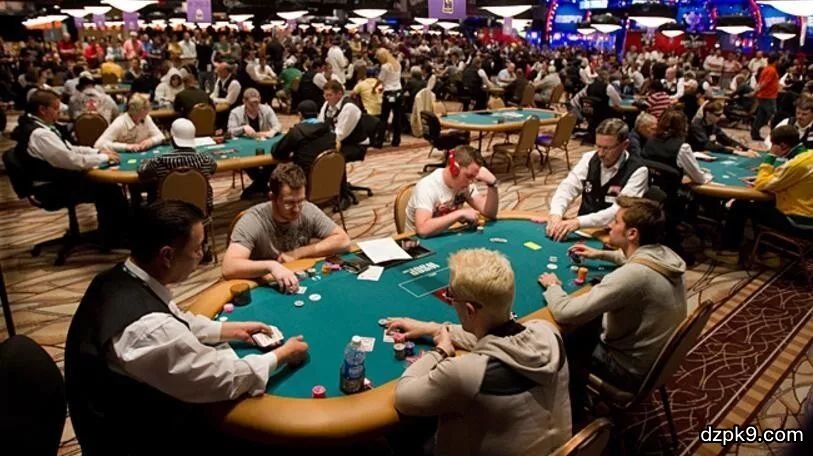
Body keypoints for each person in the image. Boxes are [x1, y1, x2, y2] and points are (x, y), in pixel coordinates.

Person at [65, 200, 310, 455]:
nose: (203, 255)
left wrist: (231, 330)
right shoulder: (147, 329)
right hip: (135, 438)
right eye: (197, 248)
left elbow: (176, 319)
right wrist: (281, 355)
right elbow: (221, 378)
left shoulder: (123, 276)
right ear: (167, 256)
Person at [391, 248, 571, 456]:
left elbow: (403, 398)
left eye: (451, 296)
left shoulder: (465, 373)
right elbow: (499, 341)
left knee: (397, 440)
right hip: (564, 451)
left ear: (469, 310)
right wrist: (434, 329)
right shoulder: (548, 332)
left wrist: (440, 351)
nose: (450, 300)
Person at [538, 196, 687, 427]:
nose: (609, 226)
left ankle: (574, 416)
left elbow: (565, 312)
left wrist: (553, 286)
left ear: (632, 234)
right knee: (588, 323)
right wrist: (600, 254)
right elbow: (630, 258)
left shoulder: (633, 275)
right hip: (655, 362)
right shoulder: (665, 254)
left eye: (616, 222)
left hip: (628, 370)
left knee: (560, 343)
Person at [10, 89, 127, 246]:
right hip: (50, 189)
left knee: (105, 185)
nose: (59, 113)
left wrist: (97, 152)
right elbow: (72, 161)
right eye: (56, 109)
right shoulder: (40, 134)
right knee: (108, 188)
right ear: (42, 109)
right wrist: (103, 158)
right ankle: (113, 236)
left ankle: (111, 231)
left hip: (53, 181)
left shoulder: (39, 126)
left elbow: (69, 149)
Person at [222, 163, 351, 289]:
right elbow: (229, 267)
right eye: (289, 203)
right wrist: (271, 266)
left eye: (300, 201)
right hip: (263, 286)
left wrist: (298, 253)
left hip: (296, 278)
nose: (297, 209)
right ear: (272, 197)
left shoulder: (307, 210)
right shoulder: (252, 221)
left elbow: (344, 241)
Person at [713, 125, 813, 260]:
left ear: (783, 145)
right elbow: (787, 178)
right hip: (808, 214)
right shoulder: (809, 155)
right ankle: (764, 251)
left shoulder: (796, 164)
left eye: (773, 145)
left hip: (799, 221)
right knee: (761, 205)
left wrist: (771, 157)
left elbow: (761, 184)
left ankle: (730, 251)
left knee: (741, 204)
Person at [546, 118, 648, 241]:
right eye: (598, 146)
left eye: (607, 148)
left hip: (613, 236)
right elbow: (568, 187)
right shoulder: (589, 158)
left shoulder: (638, 171)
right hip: (583, 231)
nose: (600, 153)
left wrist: (578, 222)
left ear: (624, 145)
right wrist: (556, 214)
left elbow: (618, 210)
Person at [406, 145, 499, 237]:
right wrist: (459, 214)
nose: (471, 182)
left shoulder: (466, 184)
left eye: (474, 177)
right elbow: (422, 230)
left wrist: (492, 185)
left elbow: (489, 213)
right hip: (417, 242)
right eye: (469, 176)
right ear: (454, 169)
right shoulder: (427, 187)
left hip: (443, 234)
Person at [643, 109, 713, 184]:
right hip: (672, 189)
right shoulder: (683, 147)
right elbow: (699, 179)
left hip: (650, 186)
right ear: (683, 126)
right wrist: (707, 175)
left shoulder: (650, 140)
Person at [271, 100, 335, 176]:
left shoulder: (297, 131)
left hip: (304, 179)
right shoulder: (329, 129)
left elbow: (278, 152)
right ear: (317, 114)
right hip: (330, 176)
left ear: (300, 114)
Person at [94, 93, 164, 152]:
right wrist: (126, 146)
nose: (147, 113)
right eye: (145, 110)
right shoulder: (119, 123)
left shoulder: (146, 118)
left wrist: (151, 141)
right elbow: (98, 145)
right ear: (137, 111)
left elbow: (161, 136)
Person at [689, 100, 754, 156]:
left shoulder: (713, 125)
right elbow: (706, 145)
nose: (721, 117)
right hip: (693, 154)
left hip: (706, 152)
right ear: (708, 113)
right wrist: (733, 151)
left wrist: (746, 149)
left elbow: (725, 139)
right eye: (718, 115)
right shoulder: (696, 125)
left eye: (721, 114)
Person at [751, 53, 780, 141]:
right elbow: (764, 83)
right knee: (773, 116)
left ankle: (755, 133)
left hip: (764, 95)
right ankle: (776, 136)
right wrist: (755, 91)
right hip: (768, 96)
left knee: (761, 116)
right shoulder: (771, 70)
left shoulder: (766, 69)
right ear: (776, 61)